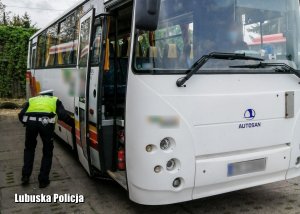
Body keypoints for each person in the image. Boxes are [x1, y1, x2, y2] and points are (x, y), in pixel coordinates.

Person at [18, 89, 74, 188]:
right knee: (47, 151)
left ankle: (25, 176)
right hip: (46, 124)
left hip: (31, 124)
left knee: (29, 149)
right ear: (51, 95)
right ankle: (43, 180)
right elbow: (63, 116)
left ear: (40, 95)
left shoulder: (32, 100)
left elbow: (21, 114)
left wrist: (26, 124)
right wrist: (74, 125)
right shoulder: (54, 100)